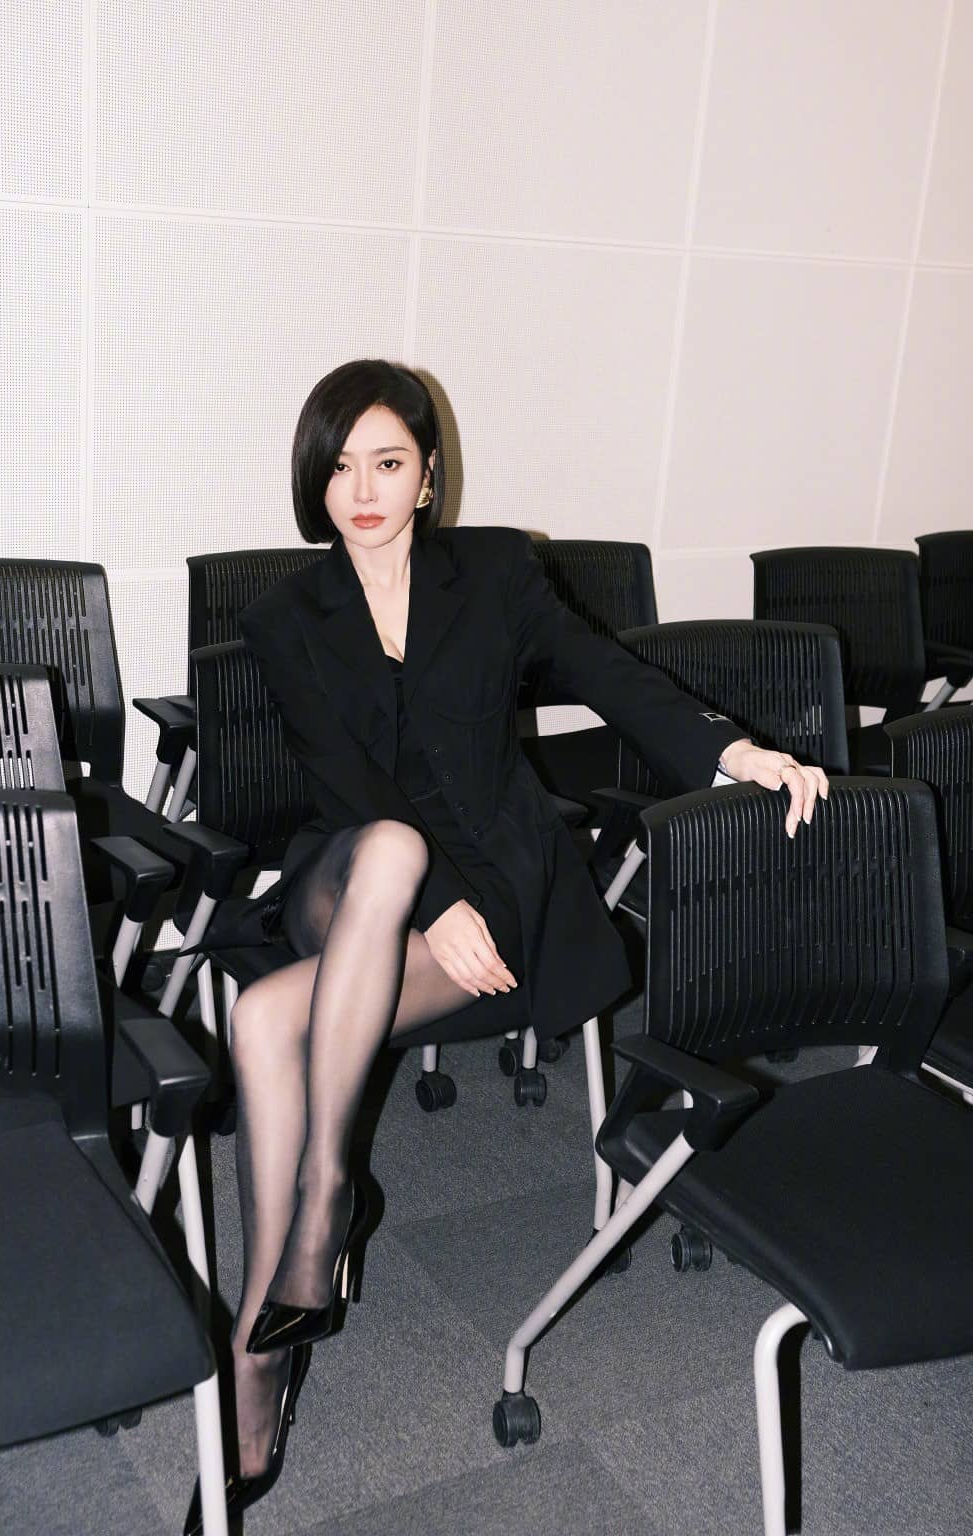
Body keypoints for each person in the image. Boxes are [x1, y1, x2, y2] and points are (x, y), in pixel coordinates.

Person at [184, 359, 828, 1533]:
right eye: (339, 467)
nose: (362, 491)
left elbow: (609, 673)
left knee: (265, 1018)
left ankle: (257, 1350)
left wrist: (735, 752)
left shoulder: (492, 572)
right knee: (388, 847)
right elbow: (344, 778)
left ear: (428, 476)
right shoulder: (285, 616)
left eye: (388, 463)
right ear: (312, 481)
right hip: (354, 875)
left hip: (502, 874)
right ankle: (328, 1199)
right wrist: (430, 901)